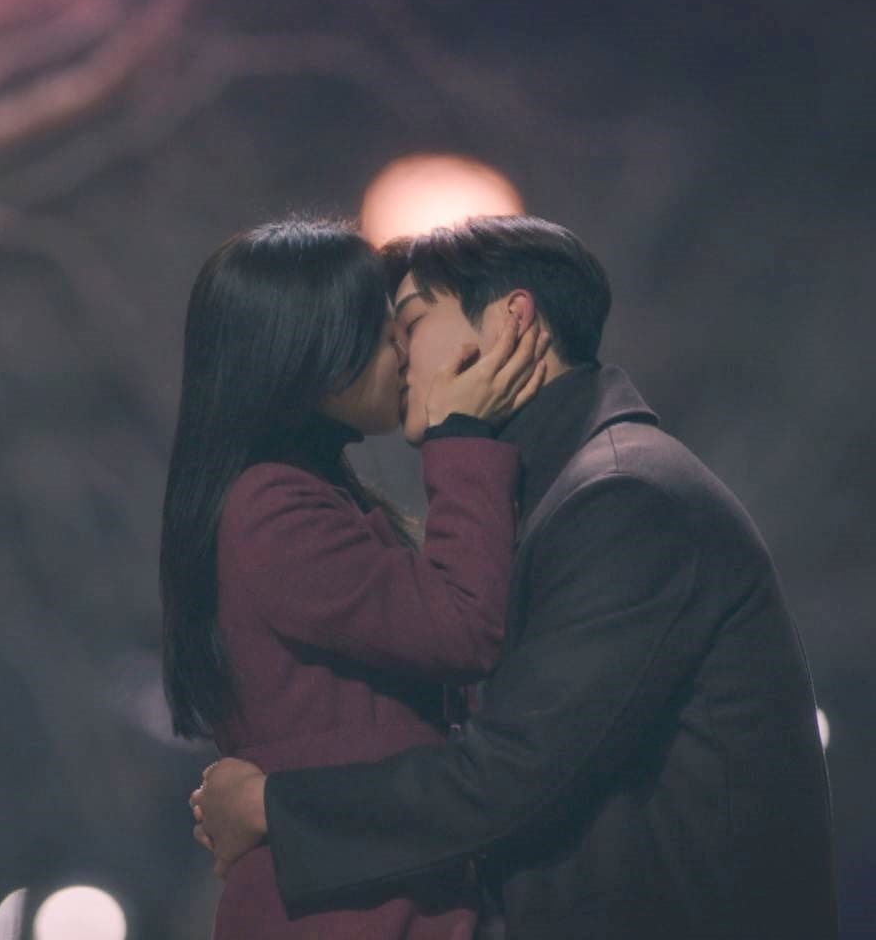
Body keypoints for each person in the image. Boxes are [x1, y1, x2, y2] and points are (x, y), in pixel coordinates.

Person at [192, 216, 839, 940]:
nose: (398, 350)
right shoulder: (563, 494)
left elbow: (510, 772)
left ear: (512, 320)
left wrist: (272, 807)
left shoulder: (623, 497)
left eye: (411, 321)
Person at [161, 218, 550, 938]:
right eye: (376, 330)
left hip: (361, 896)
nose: (401, 349)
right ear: (304, 351)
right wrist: (462, 433)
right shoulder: (272, 511)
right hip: (344, 910)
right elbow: (464, 627)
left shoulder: (304, 498)